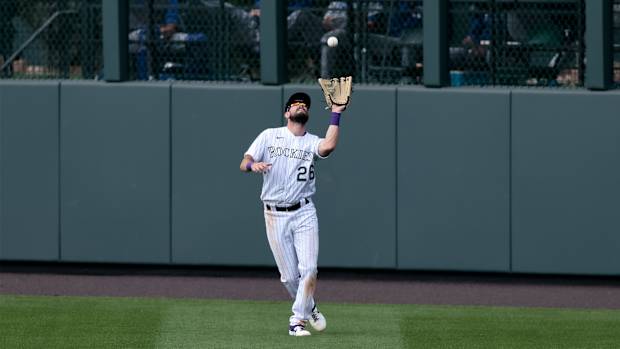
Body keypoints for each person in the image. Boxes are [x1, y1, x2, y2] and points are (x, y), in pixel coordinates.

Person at [239, 92, 347, 336]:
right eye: (296, 104)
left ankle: (297, 320)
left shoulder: (311, 142)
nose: (301, 106)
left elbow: (329, 145)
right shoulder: (269, 135)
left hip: (304, 212)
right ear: (287, 113)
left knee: (309, 269)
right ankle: (309, 306)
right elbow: (244, 161)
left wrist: (336, 113)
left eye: (305, 105)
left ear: (307, 114)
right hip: (274, 215)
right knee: (289, 277)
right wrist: (251, 165)